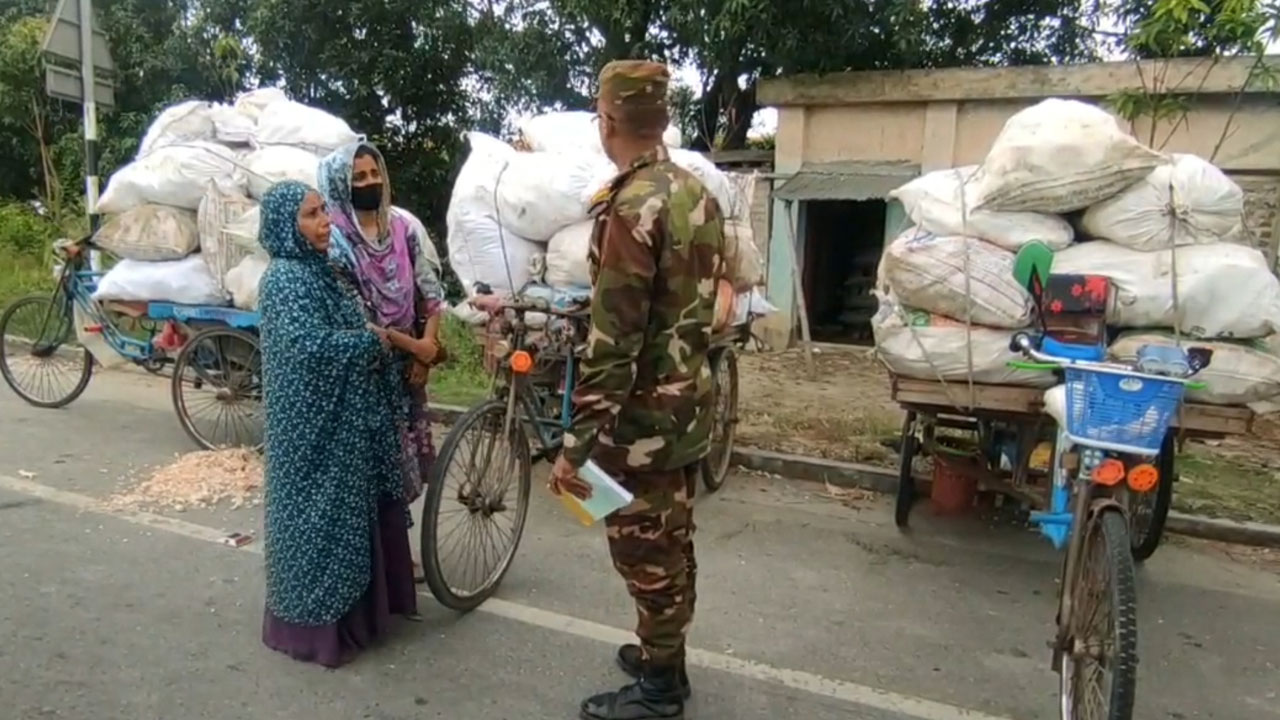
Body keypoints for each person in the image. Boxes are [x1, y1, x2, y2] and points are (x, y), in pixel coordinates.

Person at [549, 60, 724, 720]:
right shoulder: (691, 189)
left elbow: (614, 341)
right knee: (672, 540)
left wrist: (576, 447)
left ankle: (660, 689)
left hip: (640, 423)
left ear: (611, 118)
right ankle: (662, 654)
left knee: (645, 550)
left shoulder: (632, 206)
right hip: (686, 406)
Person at [256, 180, 418, 668]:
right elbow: (308, 346)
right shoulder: (285, 280)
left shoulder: (320, 272)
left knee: (347, 517)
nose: (324, 221)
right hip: (309, 429)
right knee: (317, 524)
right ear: (287, 225)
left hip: (340, 420)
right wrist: (373, 345)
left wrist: (377, 338)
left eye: (323, 210)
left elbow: (345, 326)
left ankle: (363, 618)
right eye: (310, 214)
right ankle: (315, 632)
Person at [317, 142, 445, 579]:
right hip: (367, 371)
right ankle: (376, 561)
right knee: (373, 469)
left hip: (408, 364)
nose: (370, 183)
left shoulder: (403, 229)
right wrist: (415, 348)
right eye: (359, 178)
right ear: (341, 185)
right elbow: (356, 319)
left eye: (375, 174)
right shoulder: (334, 242)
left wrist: (426, 346)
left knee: (405, 467)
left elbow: (430, 291)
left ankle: (394, 555)